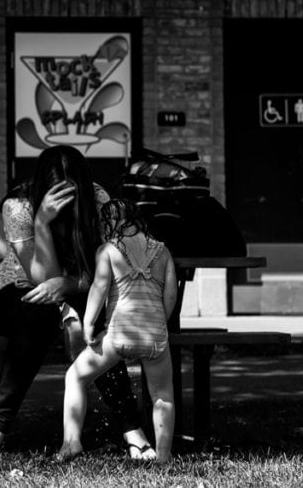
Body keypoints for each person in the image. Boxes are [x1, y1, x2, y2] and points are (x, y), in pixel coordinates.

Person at [0, 145, 155, 461]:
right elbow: (40, 277)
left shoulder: (99, 202)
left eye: (73, 192)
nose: (67, 201)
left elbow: (107, 274)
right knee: (37, 314)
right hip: (19, 292)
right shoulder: (19, 207)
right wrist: (42, 222)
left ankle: (133, 432)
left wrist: (68, 284)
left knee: (99, 320)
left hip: (79, 286)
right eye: (58, 192)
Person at [58, 198, 177, 464]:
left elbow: (99, 289)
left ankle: (71, 443)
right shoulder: (163, 251)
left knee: (75, 377)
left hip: (118, 335)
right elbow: (170, 296)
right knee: (163, 395)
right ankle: (164, 456)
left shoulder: (108, 250)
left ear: (109, 223)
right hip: (155, 336)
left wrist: (88, 326)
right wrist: (159, 324)